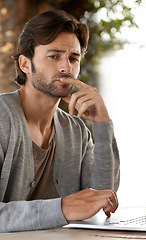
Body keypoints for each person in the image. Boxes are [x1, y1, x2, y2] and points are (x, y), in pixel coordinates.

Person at [0, 10, 120, 232]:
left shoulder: (75, 129)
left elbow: (102, 197)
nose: (67, 67)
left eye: (74, 58)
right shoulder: (2, 121)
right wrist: (62, 208)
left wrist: (102, 124)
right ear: (25, 64)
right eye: (54, 56)